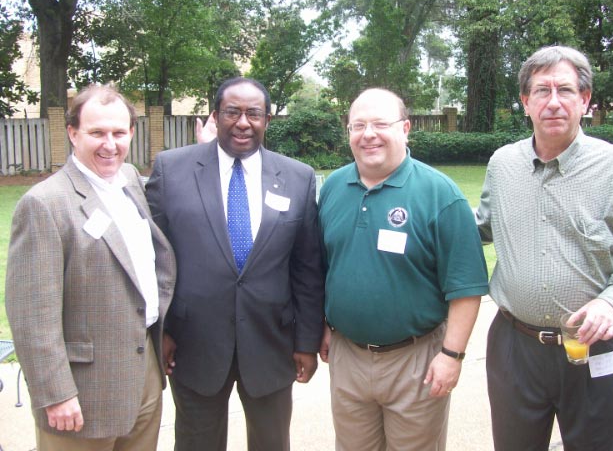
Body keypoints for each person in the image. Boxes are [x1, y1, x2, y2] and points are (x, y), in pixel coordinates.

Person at [146, 77, 325, 451]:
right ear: (216, 115)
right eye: (232, 112)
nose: (243, 122)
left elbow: (307, 267)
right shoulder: (170, 170)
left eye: (254, 113)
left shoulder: (298, 178)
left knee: (272, 443)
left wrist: (306, 340)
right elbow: (153, 260)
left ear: (267, 120)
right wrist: (159, 331)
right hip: (192, 345)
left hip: (271, 342)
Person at [476, 45, 613, 451]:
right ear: (525, 102)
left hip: (594, 348)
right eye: (541, 91)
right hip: (514, 347)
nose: (553, 102)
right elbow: (479, 228)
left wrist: (611, 302)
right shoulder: (503, 164)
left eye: (565, 90)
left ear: (584, 101)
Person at [5, 84, 177, 450]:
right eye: (96, 133)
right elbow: (32, 315)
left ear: (132, 132)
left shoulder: (129, 179)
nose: (109, 144)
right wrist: (55, 394)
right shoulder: (45, 205)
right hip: (83, 390)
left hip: (144, 370)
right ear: (72, 133)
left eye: (118, 133)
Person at [318, 88, 488, 450]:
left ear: (406, 128)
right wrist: (323, 324)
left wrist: (451, 356)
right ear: (348, 132)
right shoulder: (333, 188)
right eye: (358, 125)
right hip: (347, 357)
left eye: (381, 123)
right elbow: (321, 267)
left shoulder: (441, 195)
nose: (369, 134)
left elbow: (467, 288)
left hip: (416, 361)